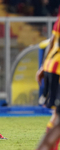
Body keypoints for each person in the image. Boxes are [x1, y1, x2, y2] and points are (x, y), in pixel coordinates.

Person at [36, 11, 60, 150]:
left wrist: (43, 66)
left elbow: (52, 40)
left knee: (58, 115)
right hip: (57, 67)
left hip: (52, 65)